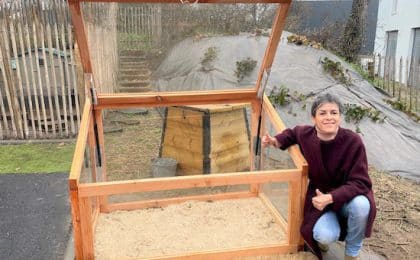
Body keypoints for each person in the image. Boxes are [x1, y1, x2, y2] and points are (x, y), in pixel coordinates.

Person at [262, 93, 376, 260]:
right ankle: (326, 233)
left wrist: (331, 197)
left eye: (334, 113)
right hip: (319, 199)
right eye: (323, 113)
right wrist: (275, 141)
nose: (329, 117)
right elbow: (292, 134)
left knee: (362, 205)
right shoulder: (305, 134)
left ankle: (352, 253)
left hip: (348, 199)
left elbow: (361, 182)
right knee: (324, 235)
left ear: (340, 117)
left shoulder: (353, 141)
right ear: (313, 118)